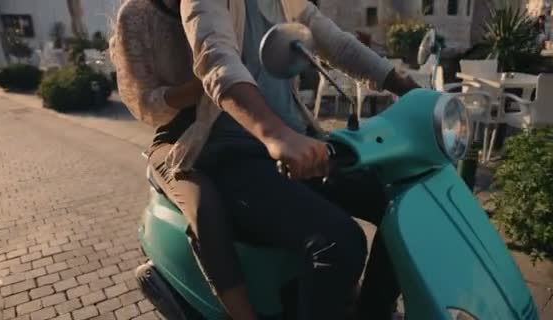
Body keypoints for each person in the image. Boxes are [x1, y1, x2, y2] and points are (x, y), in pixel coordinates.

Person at [172, 0, 421, 319]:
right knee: (340, 242)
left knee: (400, 202)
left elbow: (337, 44)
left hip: (297, 144)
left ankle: (373, 311)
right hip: (234, 155)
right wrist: (275, 134)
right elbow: (217, 60)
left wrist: (408, 88)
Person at [108, 0, 259, 319]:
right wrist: (205, 85)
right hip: (175, 135)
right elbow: (145, 104)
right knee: (205, 207)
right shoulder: (136, 16)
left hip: (232, 122)